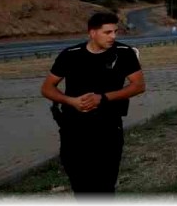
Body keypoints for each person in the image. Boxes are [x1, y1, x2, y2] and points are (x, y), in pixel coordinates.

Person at [41, 12, 146, 195]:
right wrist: (70, 101)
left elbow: (138, 86)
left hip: (108, 128)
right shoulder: (70, 55)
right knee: (80, 185)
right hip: (74, 128)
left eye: (115, 31)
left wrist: (103, 98)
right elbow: (47, 88)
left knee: (105, 186)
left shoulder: (124, 53)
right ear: (92, 33)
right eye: (107, 32)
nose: (113, 36)